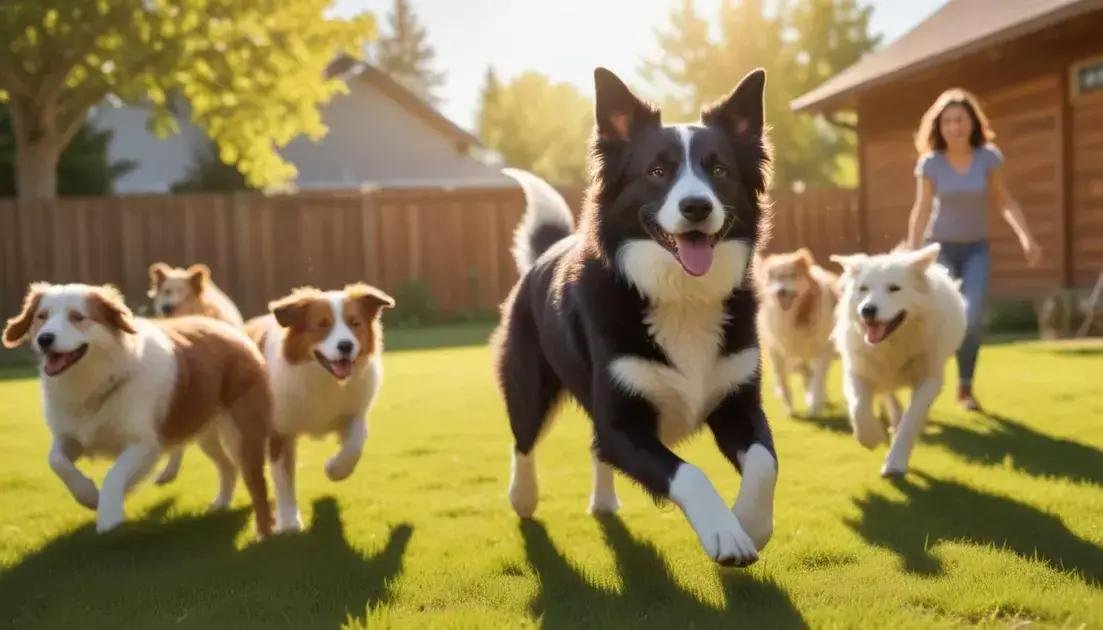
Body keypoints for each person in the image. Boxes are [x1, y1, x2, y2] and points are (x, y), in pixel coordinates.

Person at [906, 88, 1043, 412]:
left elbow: (1004, 200)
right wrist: (911, 256)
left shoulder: (988, 158)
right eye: (949, 120)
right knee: (930, 317)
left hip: (976, 250)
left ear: (972, 123)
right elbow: (921, 208)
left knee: (972, 316)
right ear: (939, 126)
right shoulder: (931, 163)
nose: (955, 126)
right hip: (938, 250)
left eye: (961, 119)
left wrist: (1026, 237)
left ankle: (965, 388)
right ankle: (923, 380)